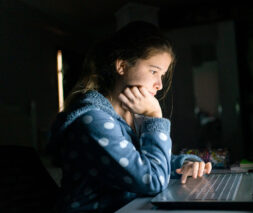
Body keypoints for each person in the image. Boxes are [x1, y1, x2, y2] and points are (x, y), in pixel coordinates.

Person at [48, 21, 212, 212]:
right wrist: (155, 118)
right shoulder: (93, 120)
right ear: (122, 66)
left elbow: (148, 162)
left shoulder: (130, 116)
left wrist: (185, 164)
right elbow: (153, 180)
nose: (159, 84)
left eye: (163, 75)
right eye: (153, 71)